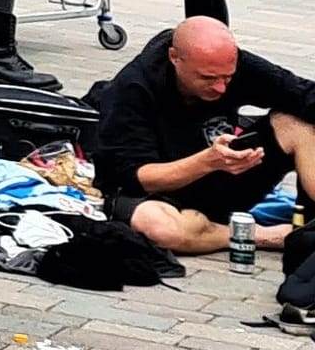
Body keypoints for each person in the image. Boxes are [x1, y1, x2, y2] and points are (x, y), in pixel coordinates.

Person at [95, 17, 315, 255]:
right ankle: (266, 236)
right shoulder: (133, 88)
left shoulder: (228, 64)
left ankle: (309, 228)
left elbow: (302, 94)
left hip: (225, 173)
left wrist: (220, 161)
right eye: (208, 79)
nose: (220, 87)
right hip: (162, 193)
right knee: (158, 227)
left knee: (297, 122)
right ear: (175, 58)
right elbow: (136, 177)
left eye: (227, 78)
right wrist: (207, 161)